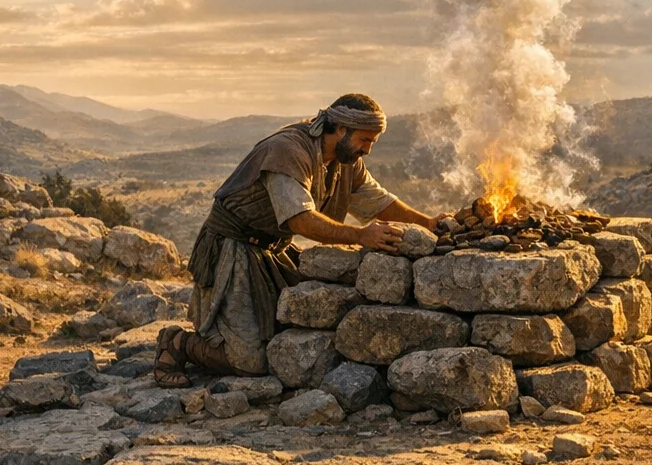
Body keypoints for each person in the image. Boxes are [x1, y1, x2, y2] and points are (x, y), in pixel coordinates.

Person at [154, 94, 441, 388]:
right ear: (341, 129)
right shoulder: (287, 151)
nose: (367, 150)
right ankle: (177, 342)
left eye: (372, 143)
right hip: (234, 247)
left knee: (290, 330)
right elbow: (299, 219)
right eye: (364, 140)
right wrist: (360, 235)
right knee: (250, 362)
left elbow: (378, 201)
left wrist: (429, 223)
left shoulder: (346, 161)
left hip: (273, 249)